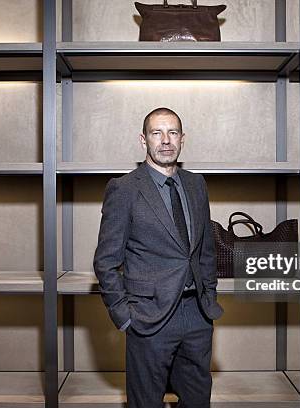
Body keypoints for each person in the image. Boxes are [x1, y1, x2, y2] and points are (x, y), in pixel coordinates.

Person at [94, 107, 224, 407]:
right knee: (146, 402)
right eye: (157, 133)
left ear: (182, 139)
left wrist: (210, 298)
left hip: (197, 316)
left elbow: (205, 251)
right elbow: (105, 261)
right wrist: (125, 317)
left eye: (173, 132)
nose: (166, 140)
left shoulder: (196, 184)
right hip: (148, 318)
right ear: (144, 141)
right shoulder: (124, 188)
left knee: (198, 400)